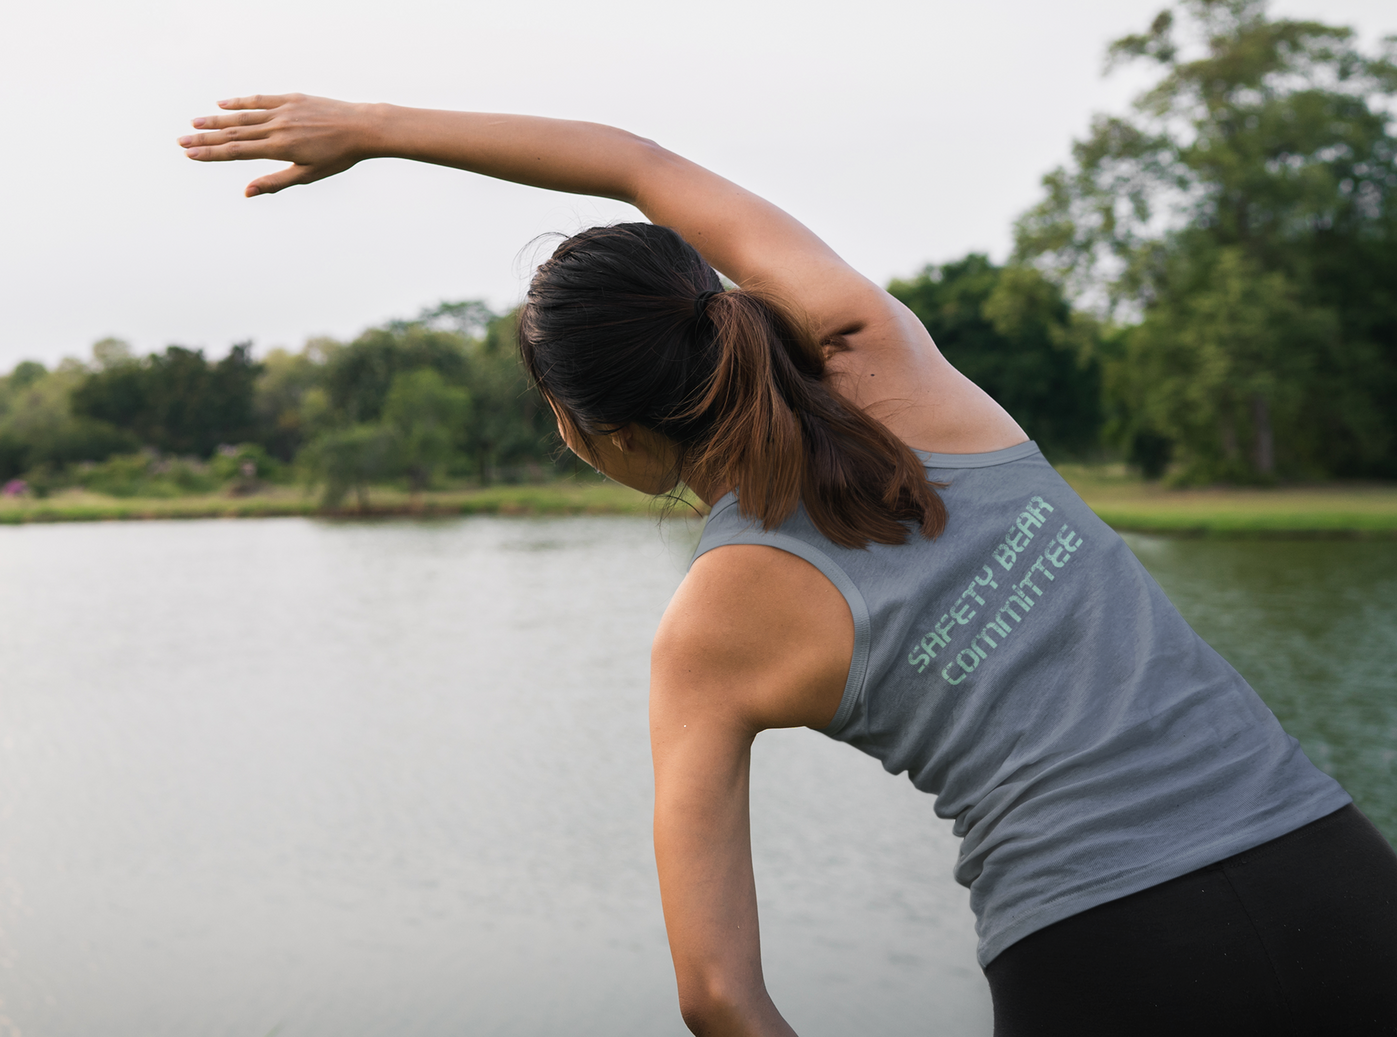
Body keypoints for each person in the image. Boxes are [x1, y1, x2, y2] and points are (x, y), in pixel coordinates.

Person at [180, 95, 1397, 1036]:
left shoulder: (709, 632)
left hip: (1097, 959)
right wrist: (373, 128)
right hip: (1333, 876)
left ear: (597, 434)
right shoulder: (883, 354)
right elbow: (637, 165)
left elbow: (718, 996)